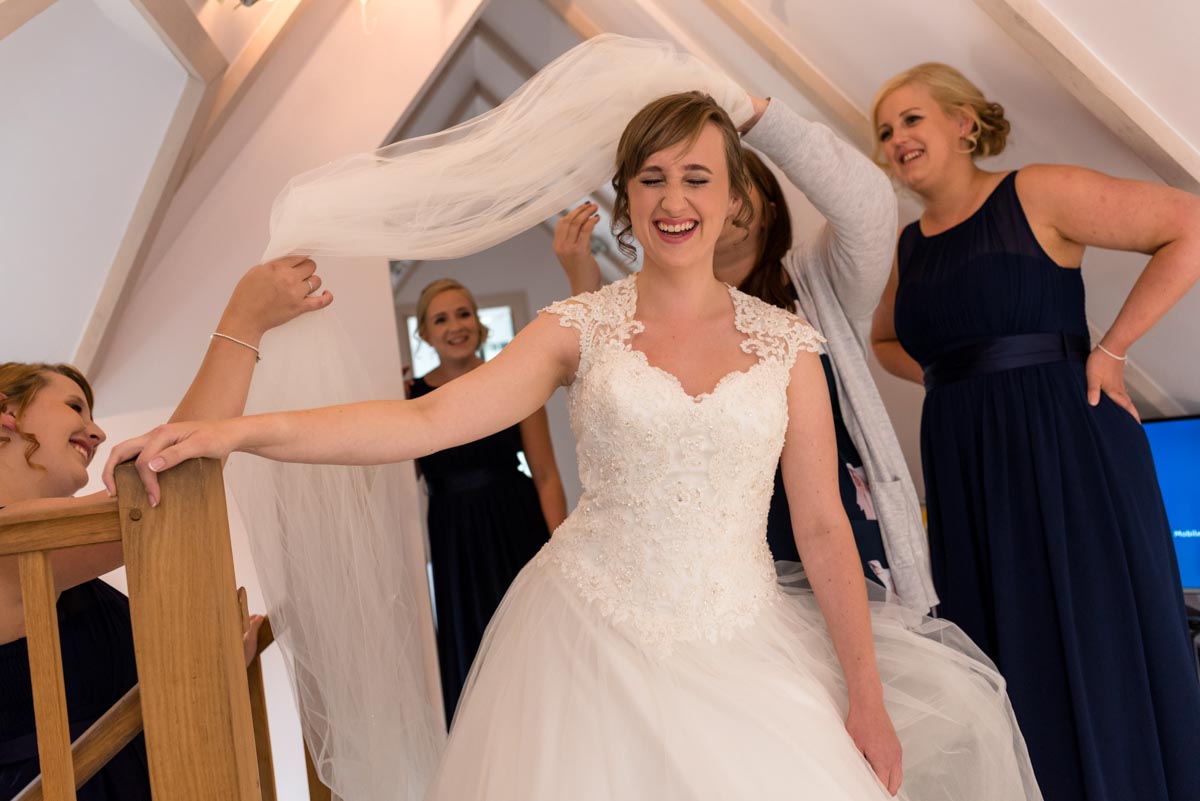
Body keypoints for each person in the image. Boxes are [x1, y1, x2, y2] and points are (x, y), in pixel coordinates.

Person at [108, 91, 1041, 800]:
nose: (675, 200)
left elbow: (824, 526)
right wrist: (239, 429)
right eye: (652, 179)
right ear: (627, 197)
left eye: (697, 177)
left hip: (745, 639)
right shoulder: (576, 326)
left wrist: (866, 694)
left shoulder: (790, 344)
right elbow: (424, 422)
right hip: (585, 640)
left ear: (733, 195)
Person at [870, 62, 1200, 801]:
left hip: (1066, 447)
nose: (896, 139)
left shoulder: (1036, 191)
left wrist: (1111, 350)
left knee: (1094, 630)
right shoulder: (909, 245)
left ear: (964, 123)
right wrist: (956, 379)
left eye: (911, 119)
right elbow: (887, 340)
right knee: (1003, 651)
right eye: (885, 132)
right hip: (964, 463)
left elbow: (1190, 224)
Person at [553, 94, 934, 609]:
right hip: (716, 548)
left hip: (835, 522)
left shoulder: (819, 281)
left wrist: (750, 111)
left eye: (711, 181)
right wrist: (582, 284)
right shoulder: (651, 305)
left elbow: (868, 204)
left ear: (758, 207)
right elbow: (607, 408)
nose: (690, 197)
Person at [0, 256, 330, 800]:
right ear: (7, 413)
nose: (98, 430)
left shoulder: (54, 562)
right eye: (75, 406)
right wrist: (243, 322)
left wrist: (218, 657)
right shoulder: (14, 548)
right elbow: (166, 496)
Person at [408, 277, 566, 722]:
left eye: (463, 314)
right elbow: (404, 482)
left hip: (514, 521)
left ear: (477, 323)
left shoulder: (514, 379)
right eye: (441, 318)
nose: (455, 326)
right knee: (473, 639)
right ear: (424, 333)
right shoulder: (409, 398)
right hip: (453, 532)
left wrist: (561, 551)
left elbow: (548, 476)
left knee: (531, 634)